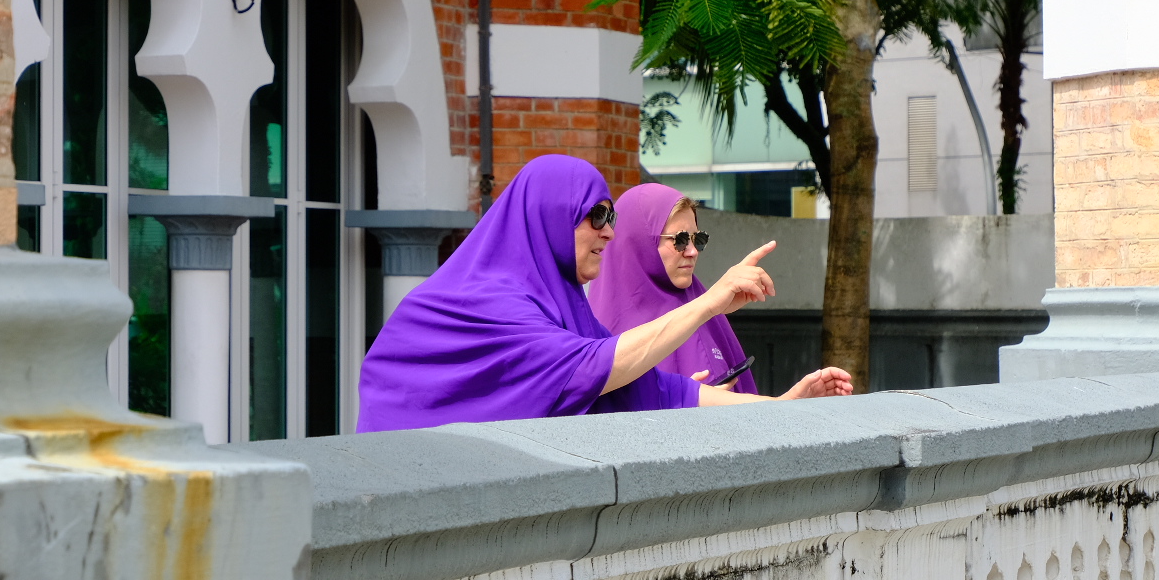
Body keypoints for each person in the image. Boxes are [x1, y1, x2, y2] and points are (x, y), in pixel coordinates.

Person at [356, 154, 782, 432]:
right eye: (596, 215)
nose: (610, 231)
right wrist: (710, 304)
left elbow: (656, 390)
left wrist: (783, 411)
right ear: (550, 218)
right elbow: (588, 370)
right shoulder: (481, 303)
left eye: (611, 215)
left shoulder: (566, 308)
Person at [590, 182, 853, 405]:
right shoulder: (603, 335)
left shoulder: (702, 307)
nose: (692, 251)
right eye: (680, 240)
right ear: (638, 244)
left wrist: (790, 403)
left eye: (698, 239)